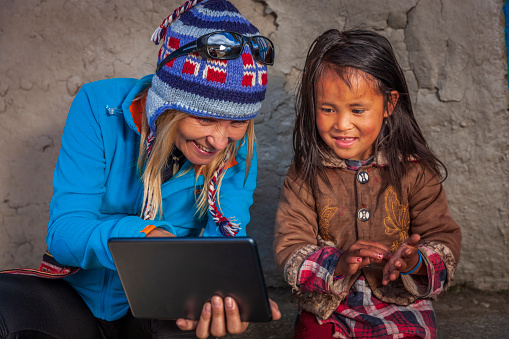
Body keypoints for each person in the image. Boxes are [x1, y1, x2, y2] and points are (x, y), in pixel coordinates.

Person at [0, 0, 280, 338]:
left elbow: (223, 246)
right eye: (204, 118)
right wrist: (145, 239)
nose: (220, 141)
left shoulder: (239, 149)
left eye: (236, 122)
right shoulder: (98, 107)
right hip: (76, 297)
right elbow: (63, 234)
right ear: (167, 105)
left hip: (161, 306)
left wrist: (226, 299)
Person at [273, 28, 461, 339]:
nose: (342, 124)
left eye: (357, 110)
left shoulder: (415, 170)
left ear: (389, 105)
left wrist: (414, 261)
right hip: (328, 308)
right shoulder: (305, 173)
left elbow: (443, 237)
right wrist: (338, 263)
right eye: (328, 109)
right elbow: (291, 246)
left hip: (400, 302)